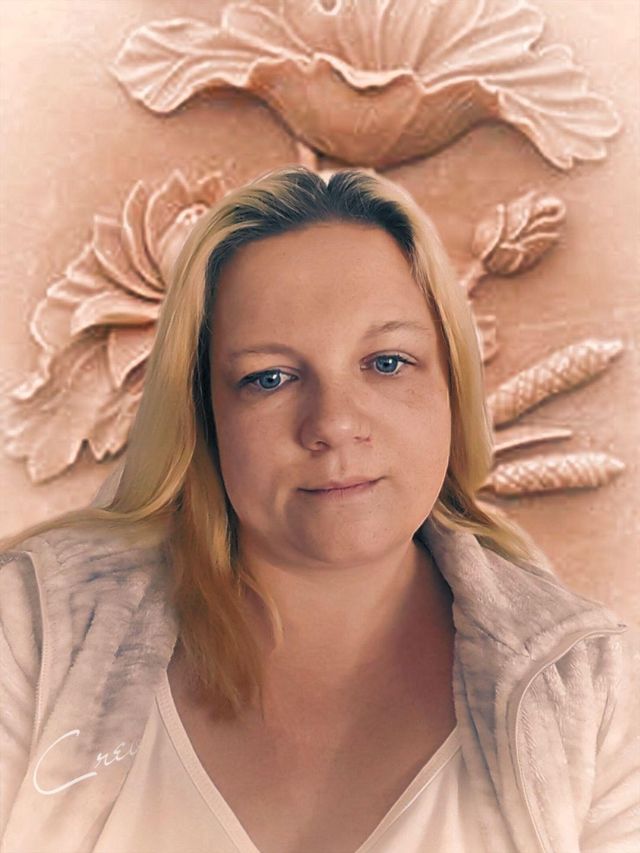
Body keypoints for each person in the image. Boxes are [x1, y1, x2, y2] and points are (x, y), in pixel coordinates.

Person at [0, 165, 637, 853]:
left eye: (387, 362)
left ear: (452, 385)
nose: (333, 423)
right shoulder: (34, 629)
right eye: (270, 378)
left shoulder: (592, 682)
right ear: (203, 414)